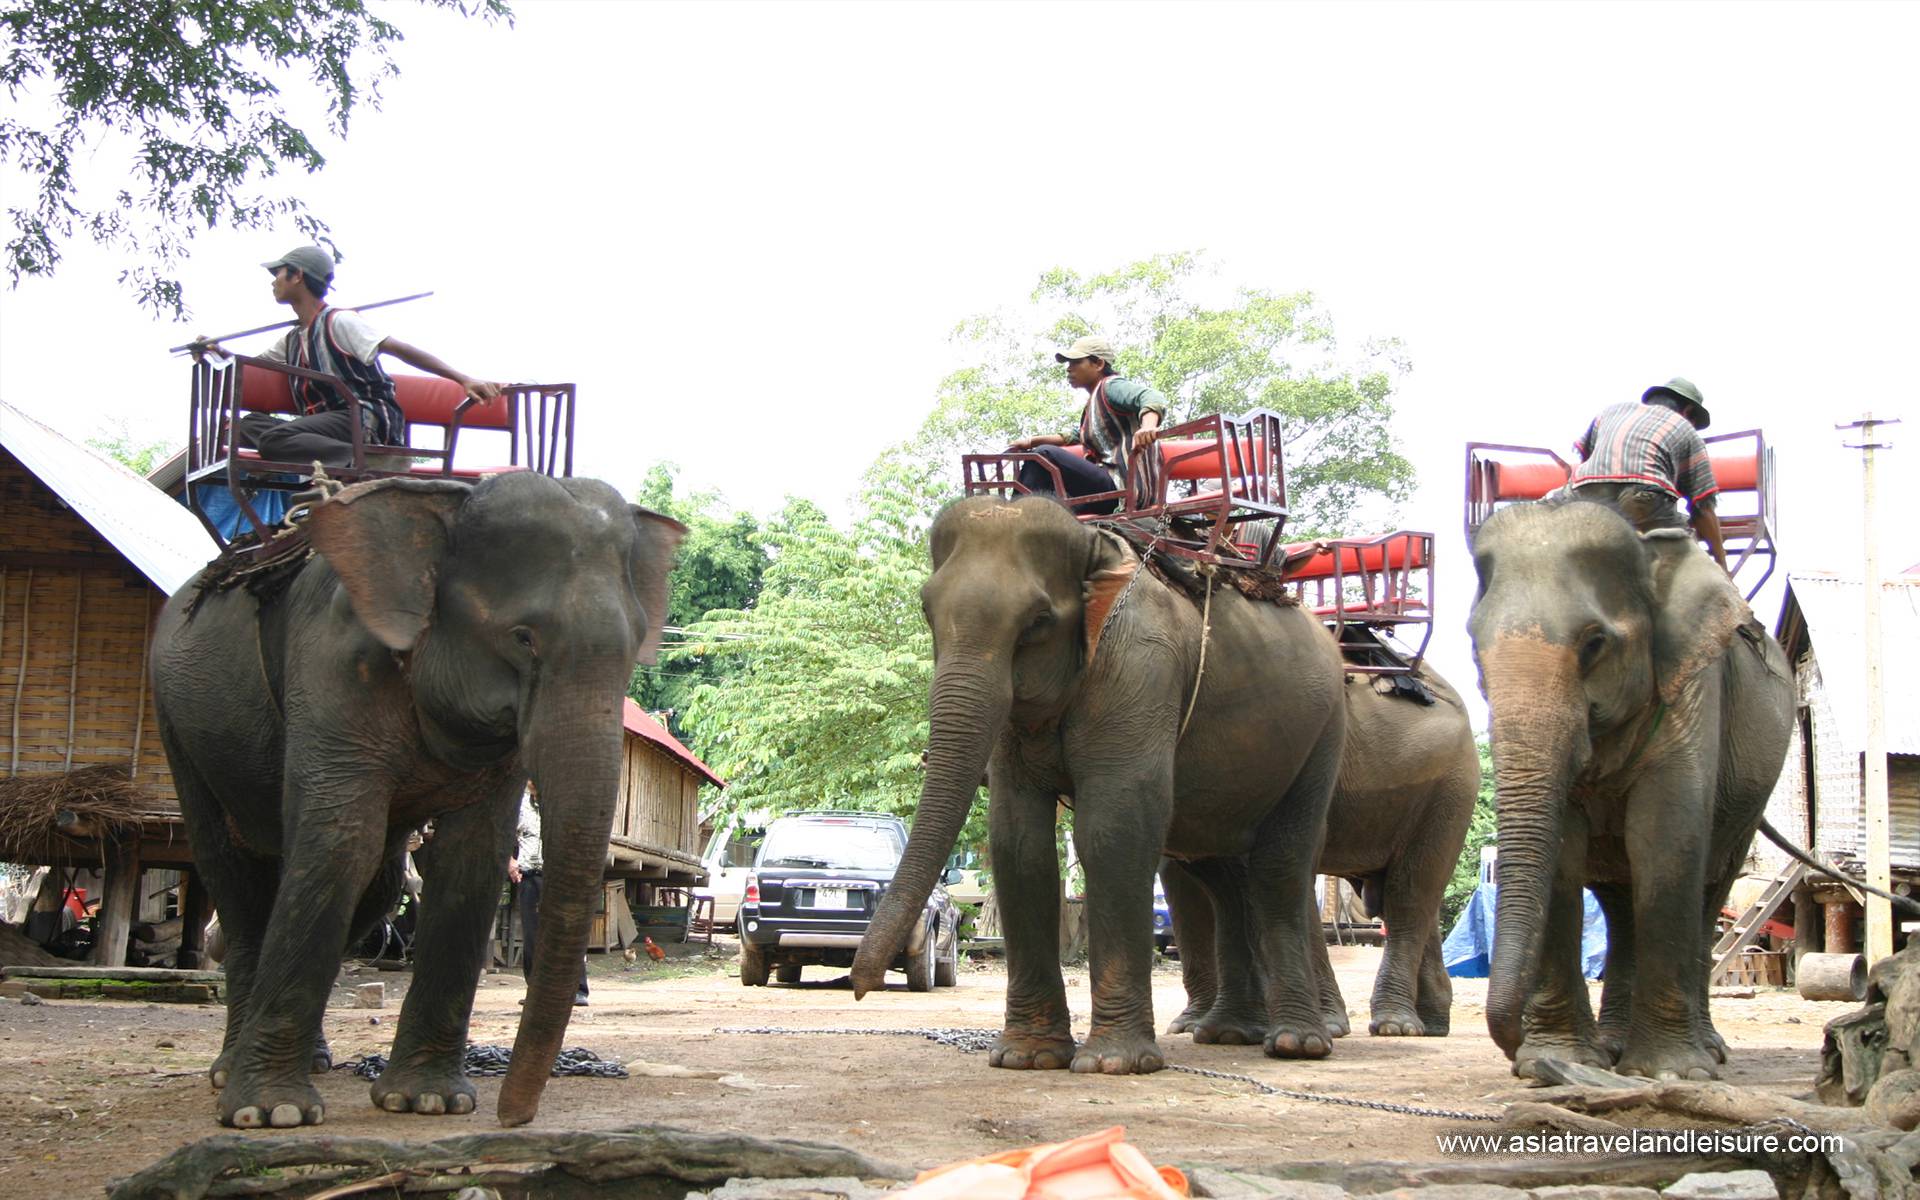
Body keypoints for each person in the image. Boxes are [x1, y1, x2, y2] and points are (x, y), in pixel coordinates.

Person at [199, 245, 503, 471]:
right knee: (244, 426)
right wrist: (217, 354)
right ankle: (345, 456)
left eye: (278, 273)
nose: (273, 281)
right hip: (325, 425)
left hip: (361, 417)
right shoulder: (292, 339)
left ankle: (365, 459)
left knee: (274, 441)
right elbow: (249, 367)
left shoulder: (340, 322)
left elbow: (400, 349)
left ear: (297, 276)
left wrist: (462, 378)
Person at [1567, 377, 1728, 570]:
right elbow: (1703, 509)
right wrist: (1722, 565)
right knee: (1685, 557)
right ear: (1688, 412)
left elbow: (1585, 454)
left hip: (1586, 491)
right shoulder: (1685, 429)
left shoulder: (1612, 411)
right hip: (1643, 496)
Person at [1007, 335, 1168, 515]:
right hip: (1111, 488)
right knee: (1054, 506)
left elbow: (1151, 397)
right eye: (1068, 364)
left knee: (1043, 455)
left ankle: (1012, 518)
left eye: (1075, 363)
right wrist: (1030, 441)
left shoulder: (1111, 386)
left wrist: (1148, 426)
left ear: (1098, 364)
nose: (1069, 369)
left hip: (1122, 487)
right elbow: (1077, 435)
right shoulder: (1095, 402)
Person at [508, 785, 589, 1006]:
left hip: (559, 876)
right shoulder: (521, 804)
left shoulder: (561, 802)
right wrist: (510, 861)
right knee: (532, 936)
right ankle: (535, 990)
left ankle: (578, 989)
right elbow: (505, 832)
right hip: (529, 876)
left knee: (567, 932)